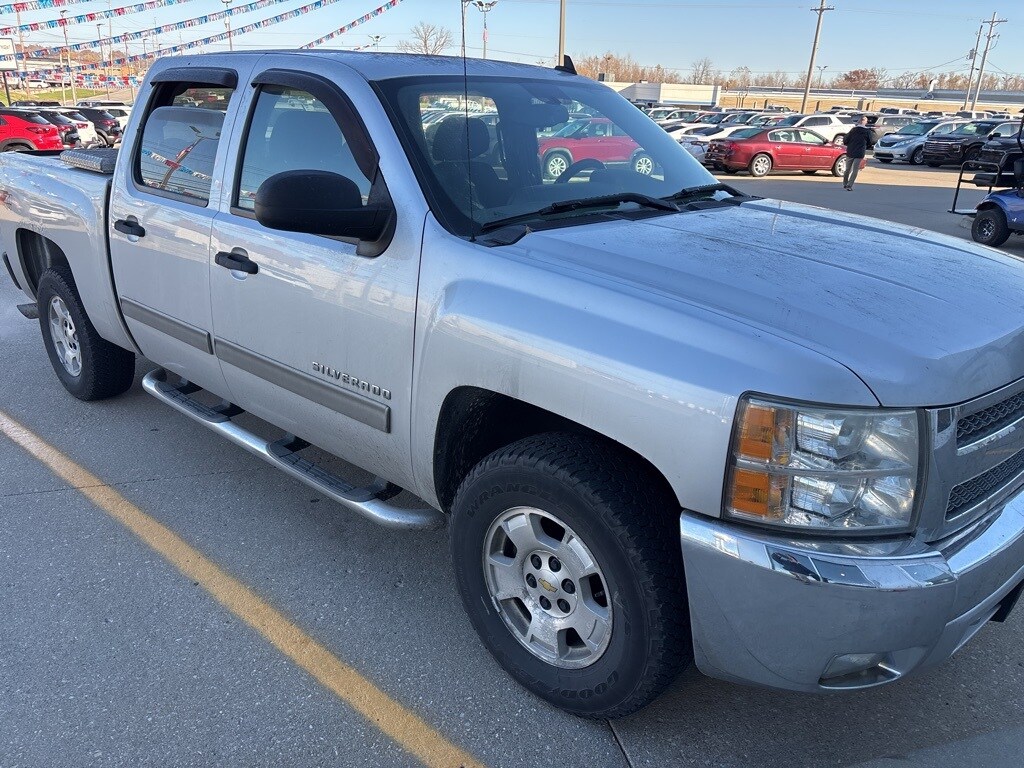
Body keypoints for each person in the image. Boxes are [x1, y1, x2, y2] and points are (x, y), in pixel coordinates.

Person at [842, 115, 872, 190]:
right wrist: (865, 147)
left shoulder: (853, 130)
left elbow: (845, 140)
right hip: (860, 152)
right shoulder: (867, 132)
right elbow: (870, 142)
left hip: (850, 151)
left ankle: (845, 183)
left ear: (859, 121)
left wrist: (849, 144)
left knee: (847, 169)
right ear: (864, 122)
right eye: (866, 121)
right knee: (855, 170)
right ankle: (849, 185)